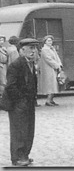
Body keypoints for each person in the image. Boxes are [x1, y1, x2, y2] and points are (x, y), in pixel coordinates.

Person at [5, 38, 38, 167]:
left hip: (29, 103)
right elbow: (10, 86)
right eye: (30, 48)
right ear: (21, 50)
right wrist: (20, 100)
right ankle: (17, 158)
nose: (33, 51)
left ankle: (25, 155)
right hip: (18, 105)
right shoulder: (16, 65)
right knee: (19, 131)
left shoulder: (30, 63)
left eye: (34, 48)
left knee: (29, 130)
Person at [38, 35, 62, 106]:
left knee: (54, 84)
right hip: (48, 69)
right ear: (45, 42)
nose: (50, 42)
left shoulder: (52, 49)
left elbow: (57, 57)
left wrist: (59, 64)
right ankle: (48, 100)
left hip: (53, 69)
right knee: (51, 84)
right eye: (48, 41)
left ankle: (51, 99)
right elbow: (48, 59)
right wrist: (56, 65)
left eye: (51, 41)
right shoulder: (44, 50)